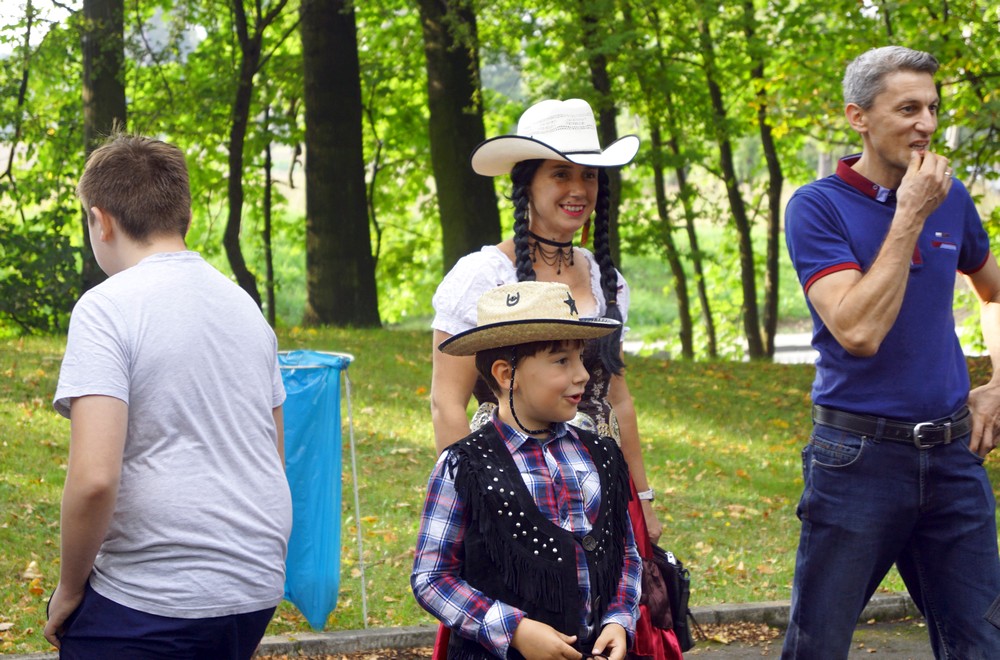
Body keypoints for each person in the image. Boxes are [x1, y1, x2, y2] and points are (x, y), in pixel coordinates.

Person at [431, 98, 681, 659]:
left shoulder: (604, 276)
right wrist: (474, 504)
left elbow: (618, 398)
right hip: (510, 483)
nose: (578, 189)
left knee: (610, 619)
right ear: (526, 183)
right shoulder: (480, 275)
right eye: (561, 173)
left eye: (589, 175)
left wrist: (642, 498)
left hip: (599, 489)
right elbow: (446, 403)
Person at [782, 46, 1000, 659]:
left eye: (932, 108)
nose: (926, 124)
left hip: (954, 458)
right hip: (858, 461)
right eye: (908, 109)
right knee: (818, 646)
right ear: (858, 117)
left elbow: (994, 293)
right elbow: (858, 331)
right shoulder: (816, 206)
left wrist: (998, 384)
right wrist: (908, 214)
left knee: (982, 644)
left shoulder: (952, 197)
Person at [43, 133, 292, 659]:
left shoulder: (106, 308)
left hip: (157, 594)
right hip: (255, 583)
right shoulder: (245, 308)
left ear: (100, 221)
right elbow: (272, 454)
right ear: (185, 216)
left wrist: (68, 589)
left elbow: (94, 478)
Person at [413, 280, 641, 660]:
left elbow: (627, 553)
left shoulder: (602, 455)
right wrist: (512, 630)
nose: (582, 375)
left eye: (580, 358)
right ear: (507, 375)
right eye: (562, 361)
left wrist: (619, 619)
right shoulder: (464, 467)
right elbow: (432, 578)